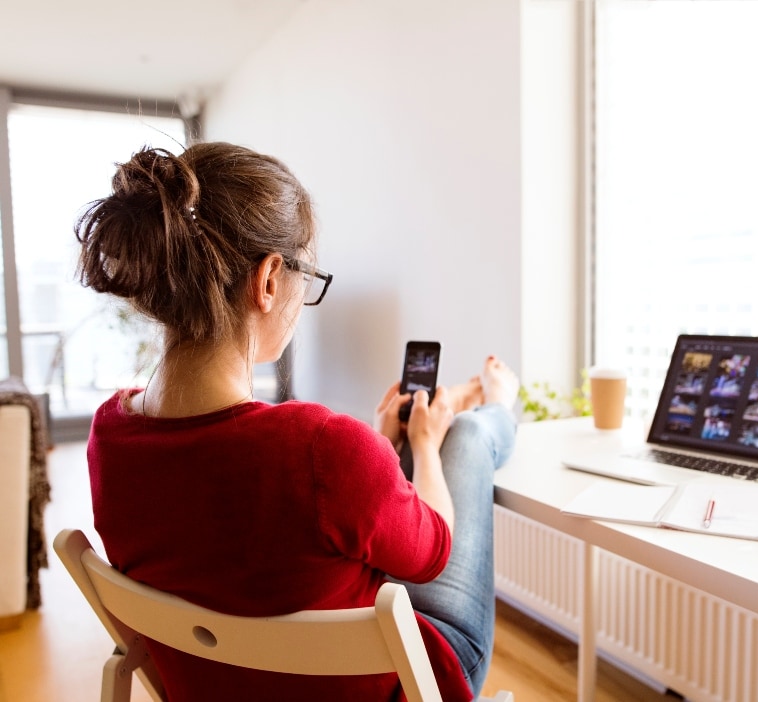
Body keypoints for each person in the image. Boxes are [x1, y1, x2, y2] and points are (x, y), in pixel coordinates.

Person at [75, 141, 518, 702]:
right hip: (395, 686)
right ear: (267, 281)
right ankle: (499, 408)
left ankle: (486, 409)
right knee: (471, 437)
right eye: (306, 277)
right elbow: (432, 554)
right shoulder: (323, 448)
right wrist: (424, 448)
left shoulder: (108, 436)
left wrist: (377, 448)